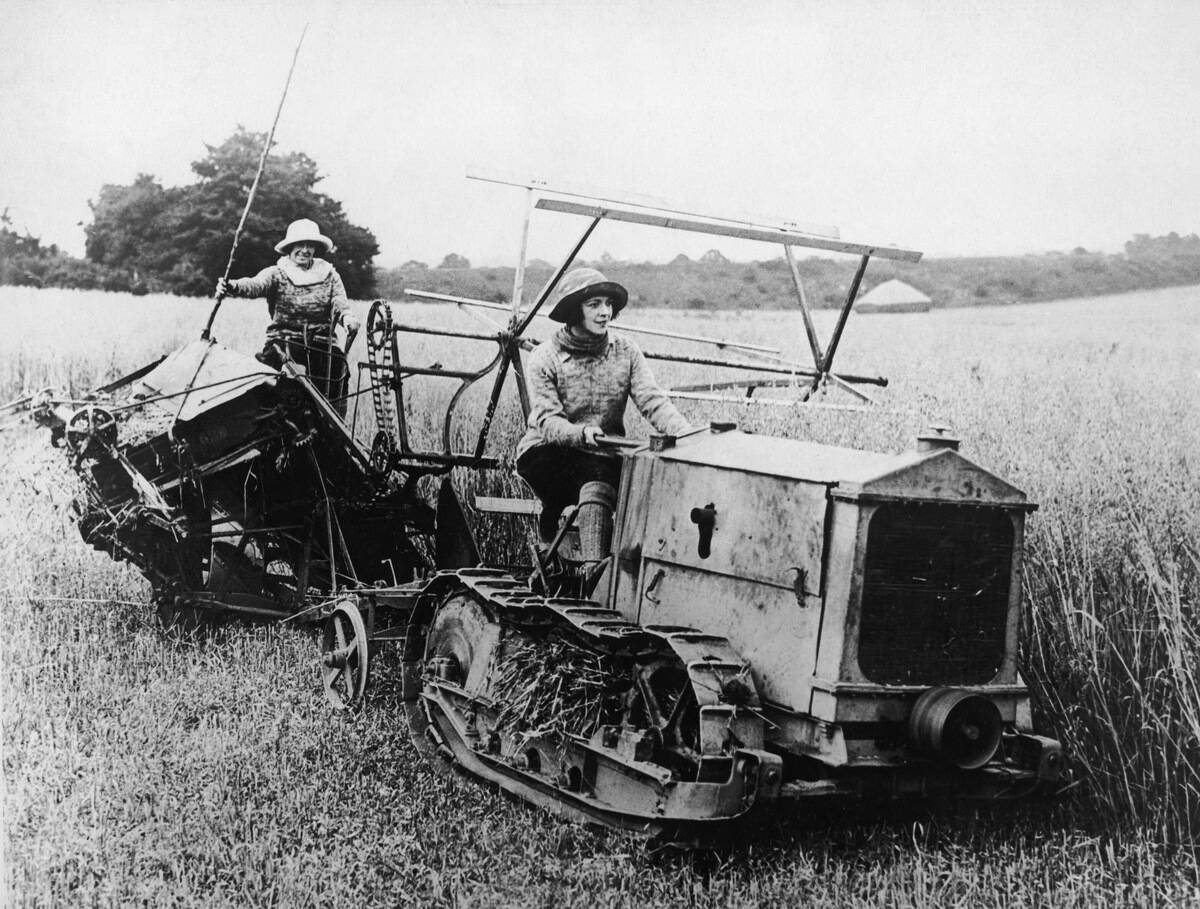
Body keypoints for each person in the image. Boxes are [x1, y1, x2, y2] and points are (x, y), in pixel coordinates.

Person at [516, 267, 691, 560]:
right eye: (594, 304)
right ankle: (592, 570)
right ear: (574, 310)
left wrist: (686, 434)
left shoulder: (626, 351)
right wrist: (581, 433)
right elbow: (547, 421)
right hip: (547, 452)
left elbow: (652, 400)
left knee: (643, 479)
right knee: (596, 476)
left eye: (608, 304)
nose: (604, 312)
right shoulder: (545, 357)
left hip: (603, 451)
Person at [216, 218, 360, 414]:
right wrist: (232, 286)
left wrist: (348, 319)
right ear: (290, 247)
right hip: (283, 342)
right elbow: (255, 285)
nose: (305, 250)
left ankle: (335, 433)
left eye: (310, 245)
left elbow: (340, 305)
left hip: (322, 344)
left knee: (338, 371)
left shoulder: (329, 274)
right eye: (300, 244)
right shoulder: (277, 273)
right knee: (264, 380)